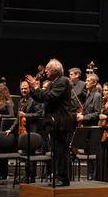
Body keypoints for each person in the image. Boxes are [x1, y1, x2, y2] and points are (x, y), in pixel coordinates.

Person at [25, 58, 74, 187]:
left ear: (55, 70)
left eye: (47, 69)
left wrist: (37, 87)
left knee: (61, 151)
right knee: (56, 151)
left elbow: (49, 97)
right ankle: (59, 176)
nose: (45, 71)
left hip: (61, 122)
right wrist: (33, 89)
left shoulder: (63, 81)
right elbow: (41, 98)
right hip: (53, 122)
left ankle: (63, 178)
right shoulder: (53, 83)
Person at [5, 81, 43, 183]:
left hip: (33, 129)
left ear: (29, 89)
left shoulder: (35, 100)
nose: (23, 90)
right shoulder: (21, 101)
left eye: (25, 88)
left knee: (31, 153)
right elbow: (18, 118)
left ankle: (32, 177)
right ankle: (26, 175)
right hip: (23, 130)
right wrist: (11, 129)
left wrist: (26, 115)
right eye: (22, 89)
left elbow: (39, 114)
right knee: (25, 154)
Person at [76, 73, 102, 180]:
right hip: (87, 127)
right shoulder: (88, 94)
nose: (86, 82)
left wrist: (84, 117)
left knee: (92, 153)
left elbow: (97, 113)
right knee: (87, 152)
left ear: (95, 82)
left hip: (93, 127)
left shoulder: (97, 95)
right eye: (86, 80)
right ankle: (91, 173)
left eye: (88, 81)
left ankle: (95, 174)